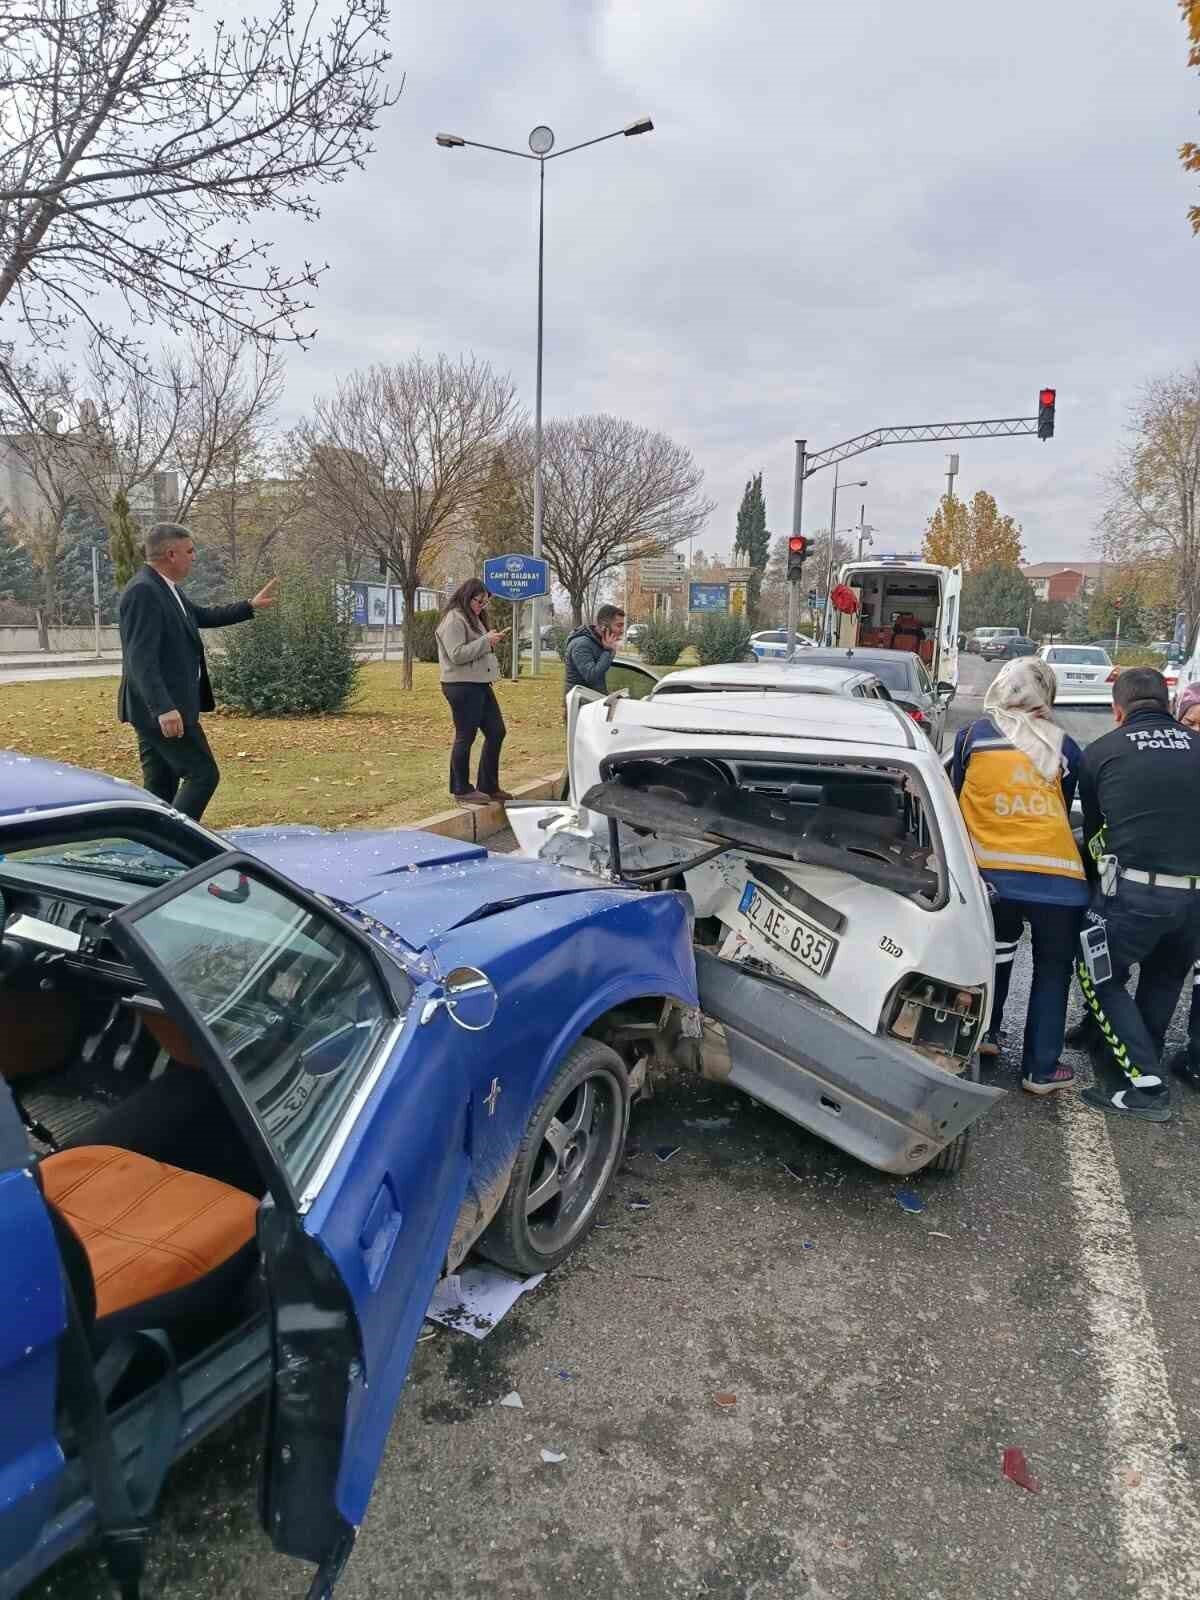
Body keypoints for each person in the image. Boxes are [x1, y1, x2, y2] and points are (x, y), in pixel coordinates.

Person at [951, 657, 1088, 1095]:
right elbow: (1063, 809)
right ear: (1044, 694)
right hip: (1056, 878)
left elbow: (953, 796)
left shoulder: (972, 736)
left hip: (991, 875)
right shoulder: (1063, 744)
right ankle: (1041, 1070)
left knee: (994, 952)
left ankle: (985, 1036)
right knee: (1052, 970)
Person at [1072, 667, 1200, 1121]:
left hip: (1134, 894)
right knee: (1165, 977)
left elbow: (1095, 831)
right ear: (1168, 705)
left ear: (1117, 709)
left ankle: (1146, 1084)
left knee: (1097, 974)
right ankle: (1130, 1049)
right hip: (1194, 900)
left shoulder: (1103, 751)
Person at [118, 522, 276, 821]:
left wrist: (249, 606)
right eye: (190, 551)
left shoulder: (165, 588)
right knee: (203, 775)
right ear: (171, 554)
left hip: (156, 709)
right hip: (163, 709)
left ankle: (154, 848)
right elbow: (140, 658)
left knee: (160, 786)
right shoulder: (144, 591)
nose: (194, 557)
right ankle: (179, 842)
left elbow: (199, 616)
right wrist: (164, 708)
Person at [436, 578, 510, 807]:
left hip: (479, 683)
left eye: (485, 603)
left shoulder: (472, 618)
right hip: (461, 685)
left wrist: (488, 641)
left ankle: (488, 785)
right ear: (467, 596)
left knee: (496, 731)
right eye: (479, 601)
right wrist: (486, 641)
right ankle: (461, 788)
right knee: (465, 736)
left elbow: (474, 649)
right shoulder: (454, 619)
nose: (481, 606)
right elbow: (456, 654)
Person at [563, 605, 626, 696]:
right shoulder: (581, 644)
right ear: (604, 626)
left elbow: (599, 680)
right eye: (619, 626)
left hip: (593, 701)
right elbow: (592, 676)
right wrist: (608, 651)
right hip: (580, 705)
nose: (622, 631)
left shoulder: (600, 643)